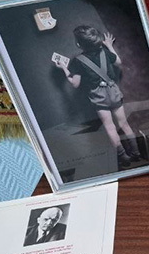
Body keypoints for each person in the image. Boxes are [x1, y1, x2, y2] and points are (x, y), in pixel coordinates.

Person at [55, 25, 143, 168]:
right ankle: (136, 153)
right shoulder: (105, 52)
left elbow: (75, 83)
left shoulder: (78, 61)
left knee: (110, 127)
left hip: (99, 97)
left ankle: (123, 156)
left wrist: (64, 68)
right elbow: (118, 62)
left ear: (78, 44)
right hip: (113, 92)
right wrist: (109, 46)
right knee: (124, 124)